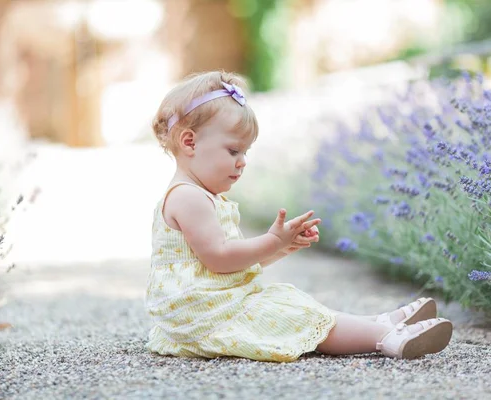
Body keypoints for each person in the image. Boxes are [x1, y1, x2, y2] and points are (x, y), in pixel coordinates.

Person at [145, 70, 453, 362]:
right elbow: (219, 258)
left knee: (291, 306)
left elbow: (224, 267)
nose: (242, 163)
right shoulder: (188, 198)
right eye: (233, 151)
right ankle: (386, 336)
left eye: (245, 153)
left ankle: (379, 322)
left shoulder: (199, 196)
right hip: (204, 316)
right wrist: (271, 240)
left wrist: (278, 248)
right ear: (190, 142)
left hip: (208, 305)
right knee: (292, 312)